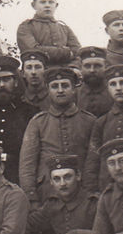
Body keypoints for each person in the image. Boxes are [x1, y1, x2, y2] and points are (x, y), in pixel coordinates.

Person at [19, 66, 97, 204]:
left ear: (74, 89)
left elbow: (93, 160)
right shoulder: (38, 122)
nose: (60, 90)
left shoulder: (89, 121)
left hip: (81, 193)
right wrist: (31, 197)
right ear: (48, 90)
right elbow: (27, 164)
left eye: (65, 85)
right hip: (47, 193)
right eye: (55, 86)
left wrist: (90, 192)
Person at [0, 56, 38, 184]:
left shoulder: (30, 113)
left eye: (6, 79)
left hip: (19, 178)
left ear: (15, 82)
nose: (2, 85)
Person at [16, 0, 81, 66]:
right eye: (43, 2)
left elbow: (78, 51)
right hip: (38, 72)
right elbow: (34, 51)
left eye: (51, 2)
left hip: (65, 72)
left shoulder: (64, 28)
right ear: (33, 5)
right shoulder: (26, 27)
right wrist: (67, 52)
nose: (47, 5)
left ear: (56, 5)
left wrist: (73, 67)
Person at [76, 47, 113, 118]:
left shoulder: (113, 92)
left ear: (106, 67)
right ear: (81, 68)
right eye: (87, 66)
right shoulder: (75, 94)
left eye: (97, 66)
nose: (92, 70)